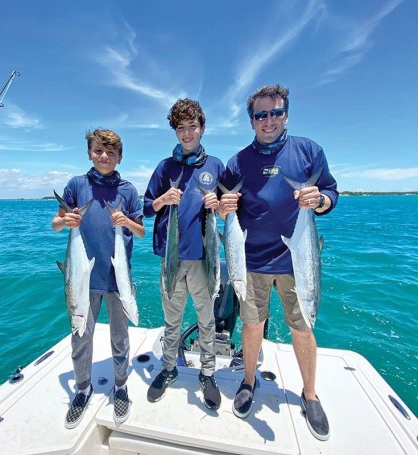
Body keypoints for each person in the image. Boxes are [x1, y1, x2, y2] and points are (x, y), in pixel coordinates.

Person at [218, 84, 338, 441]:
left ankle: (310, 395)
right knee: (252, 325)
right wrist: (224, 206)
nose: (268, 120)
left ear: (286, 114)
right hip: (251, 260)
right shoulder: (238, 161)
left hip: (297, 261)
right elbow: (228, 202)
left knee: (302, 327)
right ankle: (249, 380)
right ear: (251, 120)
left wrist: (319, 201)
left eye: (275, 113)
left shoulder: (308, 151)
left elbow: (331, 193)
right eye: (260, 114)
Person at [52, 128, 144, 428]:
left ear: (119, 156)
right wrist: (66, 220)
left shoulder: (128, 190)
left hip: (118, 279)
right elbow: (55, 223)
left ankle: (120, 385)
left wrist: (126, 220)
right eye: (98, 151)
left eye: (111, 152)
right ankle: (82, 388)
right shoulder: (77, 185)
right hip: (82, 280)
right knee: (81, 337)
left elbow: (141, 231)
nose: (104, 157)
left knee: (120, 337)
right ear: (90, 153)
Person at [143, 98, 224, 410]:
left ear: (202, 128)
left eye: (192, 127)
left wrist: (217, 204)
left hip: (204, 258)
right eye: (181, 128)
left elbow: (232, 208)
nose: (187, 133)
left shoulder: (215, 166)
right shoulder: (165, 168)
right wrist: (163, 199)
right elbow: (146, 209)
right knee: (172, 319)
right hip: (171, 259)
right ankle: (168, 368)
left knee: (207, 319)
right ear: (175, 131)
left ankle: (207, 373)